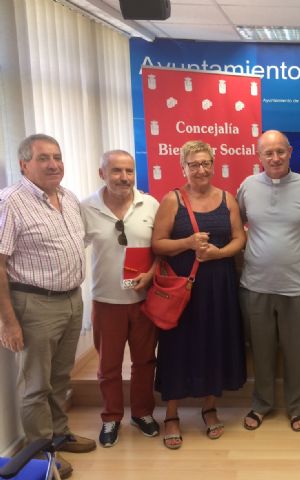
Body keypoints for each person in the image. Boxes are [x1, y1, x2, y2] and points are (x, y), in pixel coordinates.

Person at [0, 134, 96, 479]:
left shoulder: (67, 197)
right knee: (36, 384)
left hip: (71, 299)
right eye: (43, 158)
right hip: (33, 304)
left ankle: (58, 435)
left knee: (59, 377)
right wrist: (8, 322)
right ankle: (41, 455)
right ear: (24, 164)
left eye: (57, 156)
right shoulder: (10, 202)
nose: (53, 164)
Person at [151, 140, 247, 449]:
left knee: (214, 343)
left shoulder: (228, 199)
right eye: (194, 164)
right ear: (183, 168)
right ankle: (172, 414)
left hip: (219, 285)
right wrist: (188, 243)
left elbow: (239, 239)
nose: (201, 169)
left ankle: (209, 407)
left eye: (206, 163)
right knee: (177, 347)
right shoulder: (172, 200)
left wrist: (219, 253)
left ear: (213, 165)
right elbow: (158, 244)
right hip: (183, 287)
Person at [238, 130, 300, 433]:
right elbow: (238, 226)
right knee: (261, 352)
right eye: (268, 153)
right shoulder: (247, 186)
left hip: (298, 286)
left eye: (280, 151)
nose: (275, 158)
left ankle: (297, 408)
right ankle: (261, 404)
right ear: (259, 156)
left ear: (290, 152)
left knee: (296, 352)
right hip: (255, 285)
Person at [81, 150, 160, 448]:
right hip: (106, 301)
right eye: (116, 171)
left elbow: (161, 249)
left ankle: (142, 413)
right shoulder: (85, 208)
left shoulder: (150, 204)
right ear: (102, 173)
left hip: (143, 300)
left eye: (129, 171)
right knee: (109, 365)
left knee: (145, 362)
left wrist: (151, 273)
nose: (124, 177)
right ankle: (111, 417)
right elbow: (71, 247)